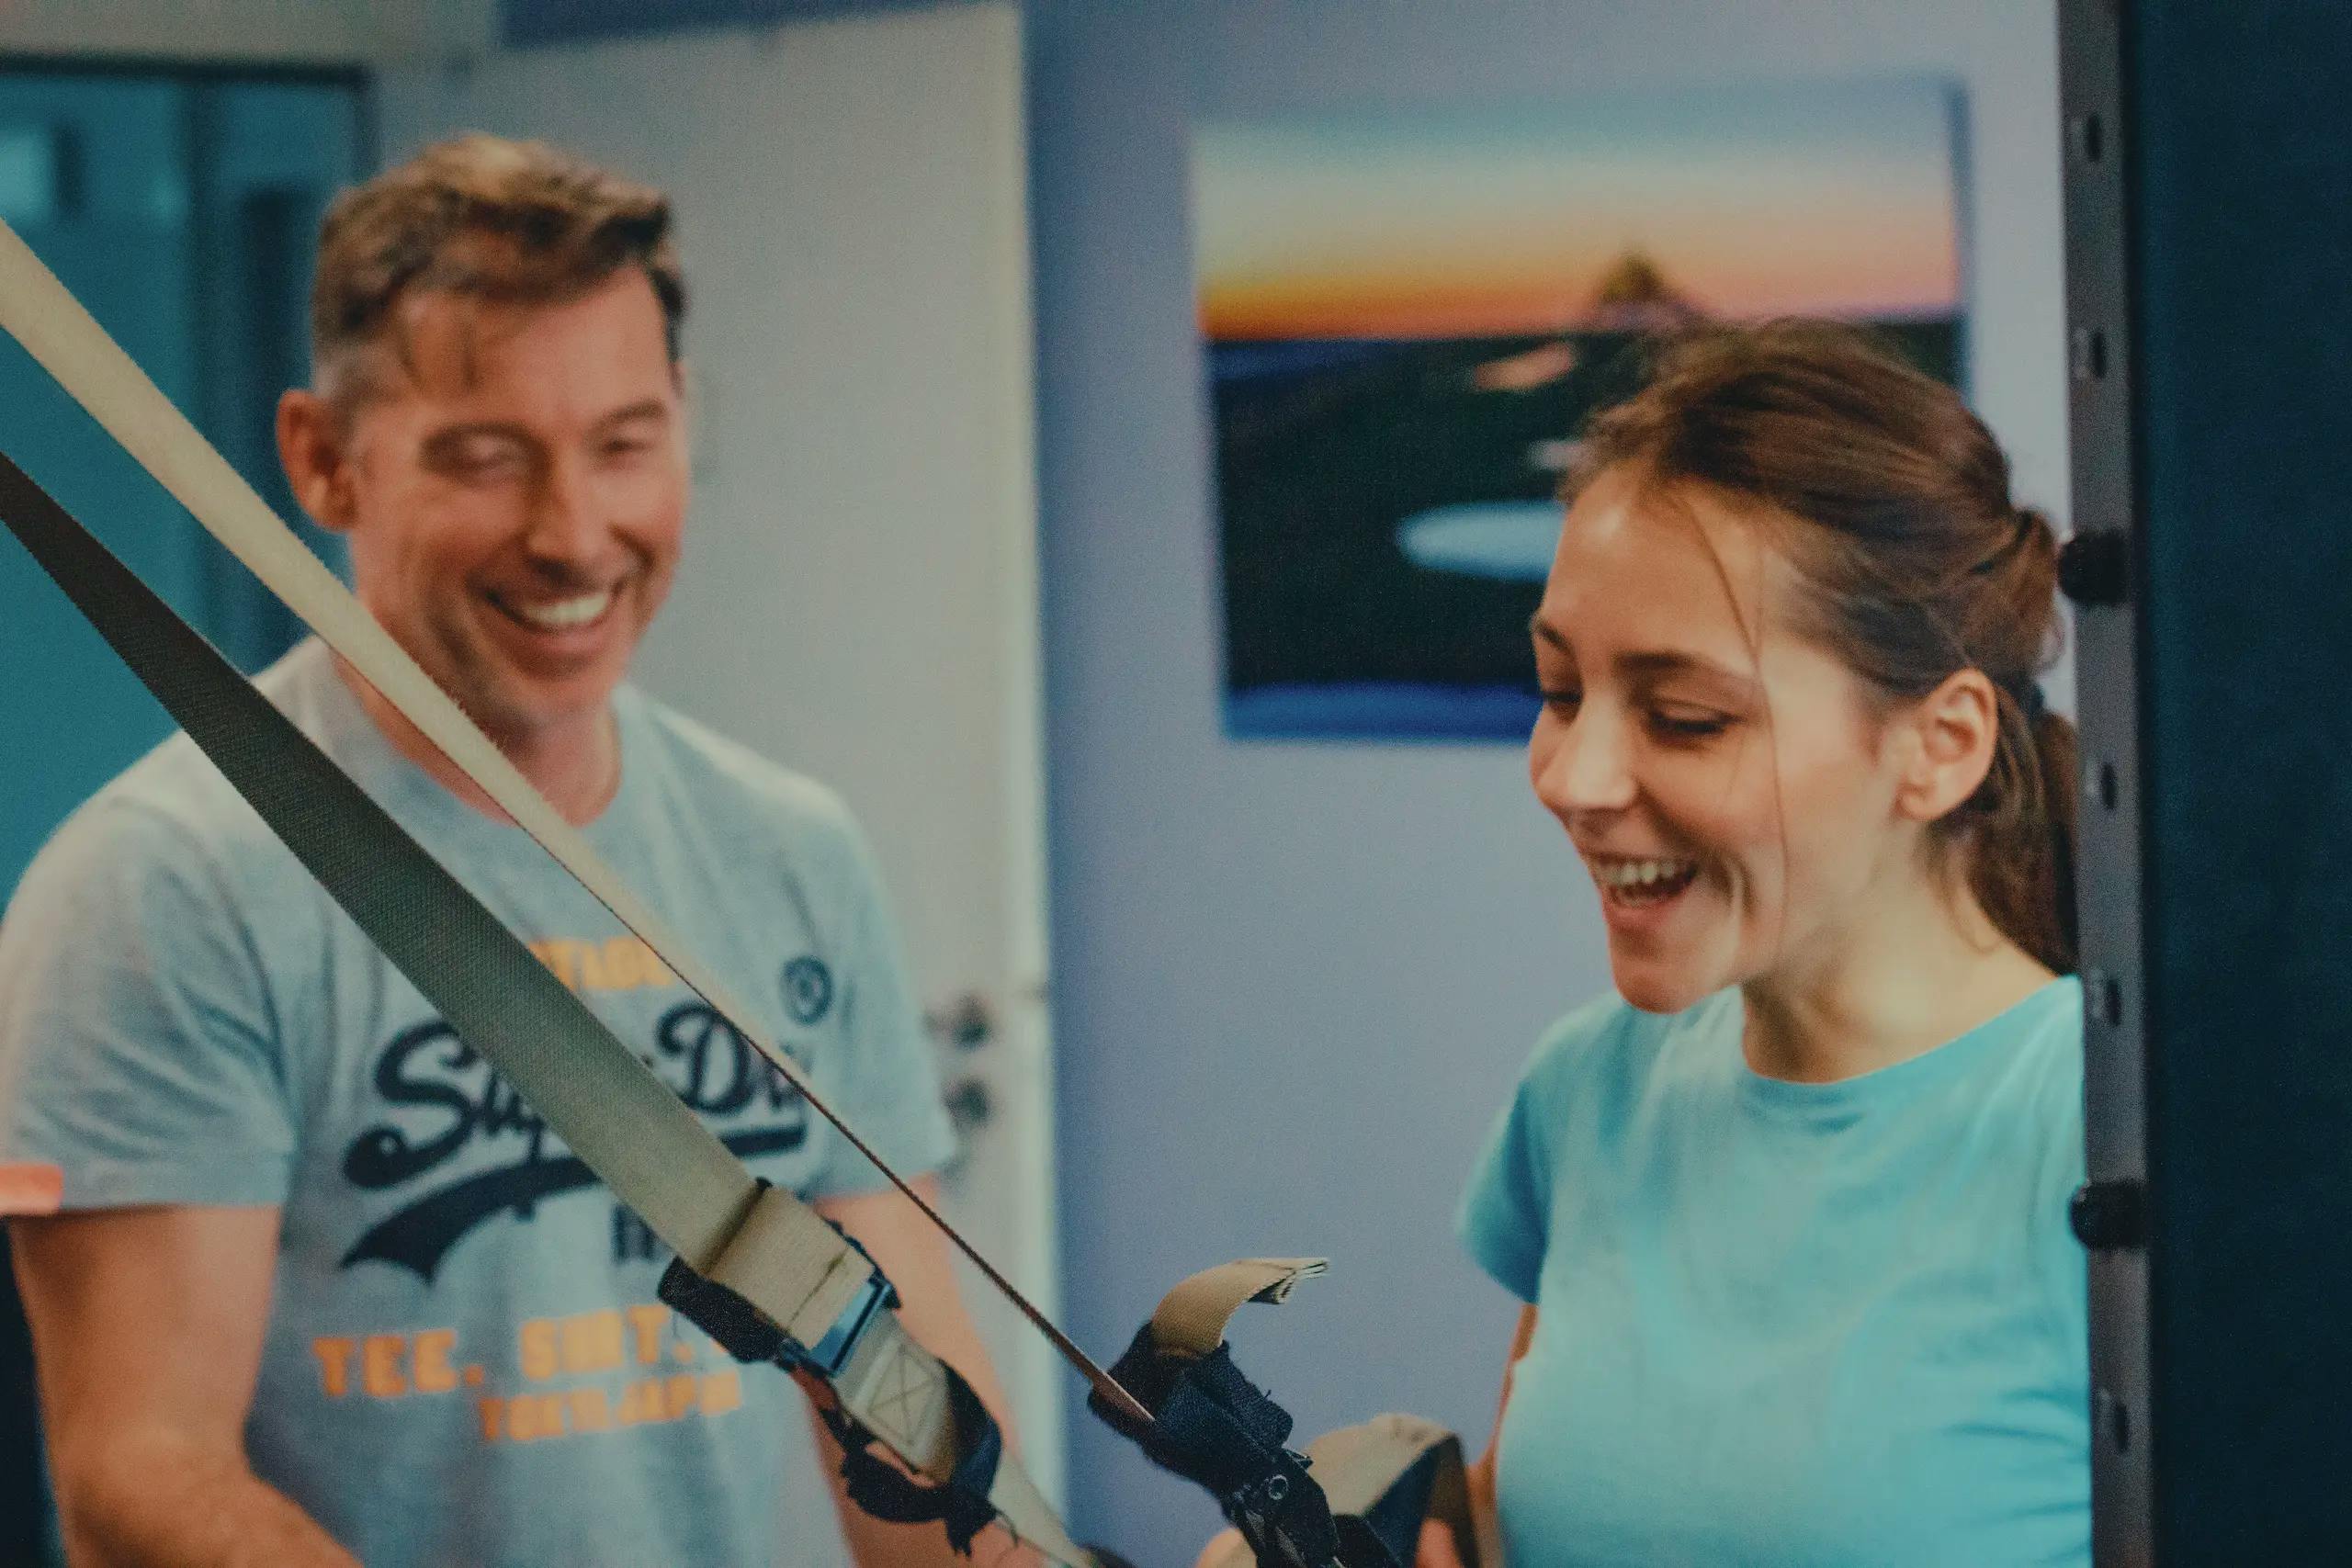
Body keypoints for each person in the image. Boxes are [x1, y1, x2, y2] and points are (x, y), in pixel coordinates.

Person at [0, 134, 1014, 1568]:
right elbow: (141, 1471)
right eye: (487, 459)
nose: (573, 533)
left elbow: (907, 1415)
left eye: (624, 443)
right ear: (322, 463)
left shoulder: (791, 854)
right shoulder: (164, 889)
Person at [1445, 321, 2088, 1565]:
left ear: (1938, 746)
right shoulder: (1590, 1089)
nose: (1573, 778)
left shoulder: (2115, 1136)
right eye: (1561, 690)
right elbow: (1553, 1507)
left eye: (1686, 719)